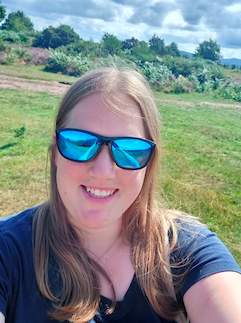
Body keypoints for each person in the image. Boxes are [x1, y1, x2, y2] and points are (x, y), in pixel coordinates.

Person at [0, 66, 241, 323]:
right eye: (81, 143)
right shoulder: (8, 250)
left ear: (148, 162)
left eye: (129, 149)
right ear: (57, 150)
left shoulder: (188, 251)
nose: (103, 171)